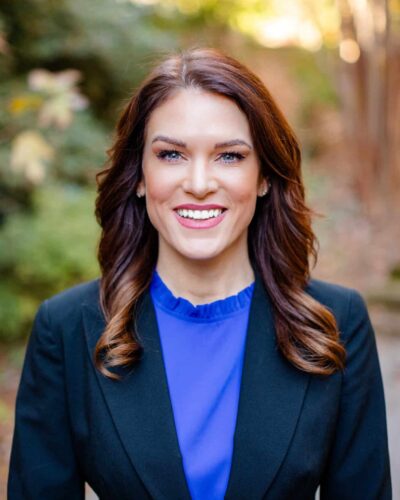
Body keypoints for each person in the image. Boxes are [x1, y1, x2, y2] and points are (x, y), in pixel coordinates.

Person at [8, 48, 391, 500]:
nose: (199, 182)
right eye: (171, 154)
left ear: (264, 176)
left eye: (229, 156)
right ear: (139, 176)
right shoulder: (68, 329)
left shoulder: (336, 323)